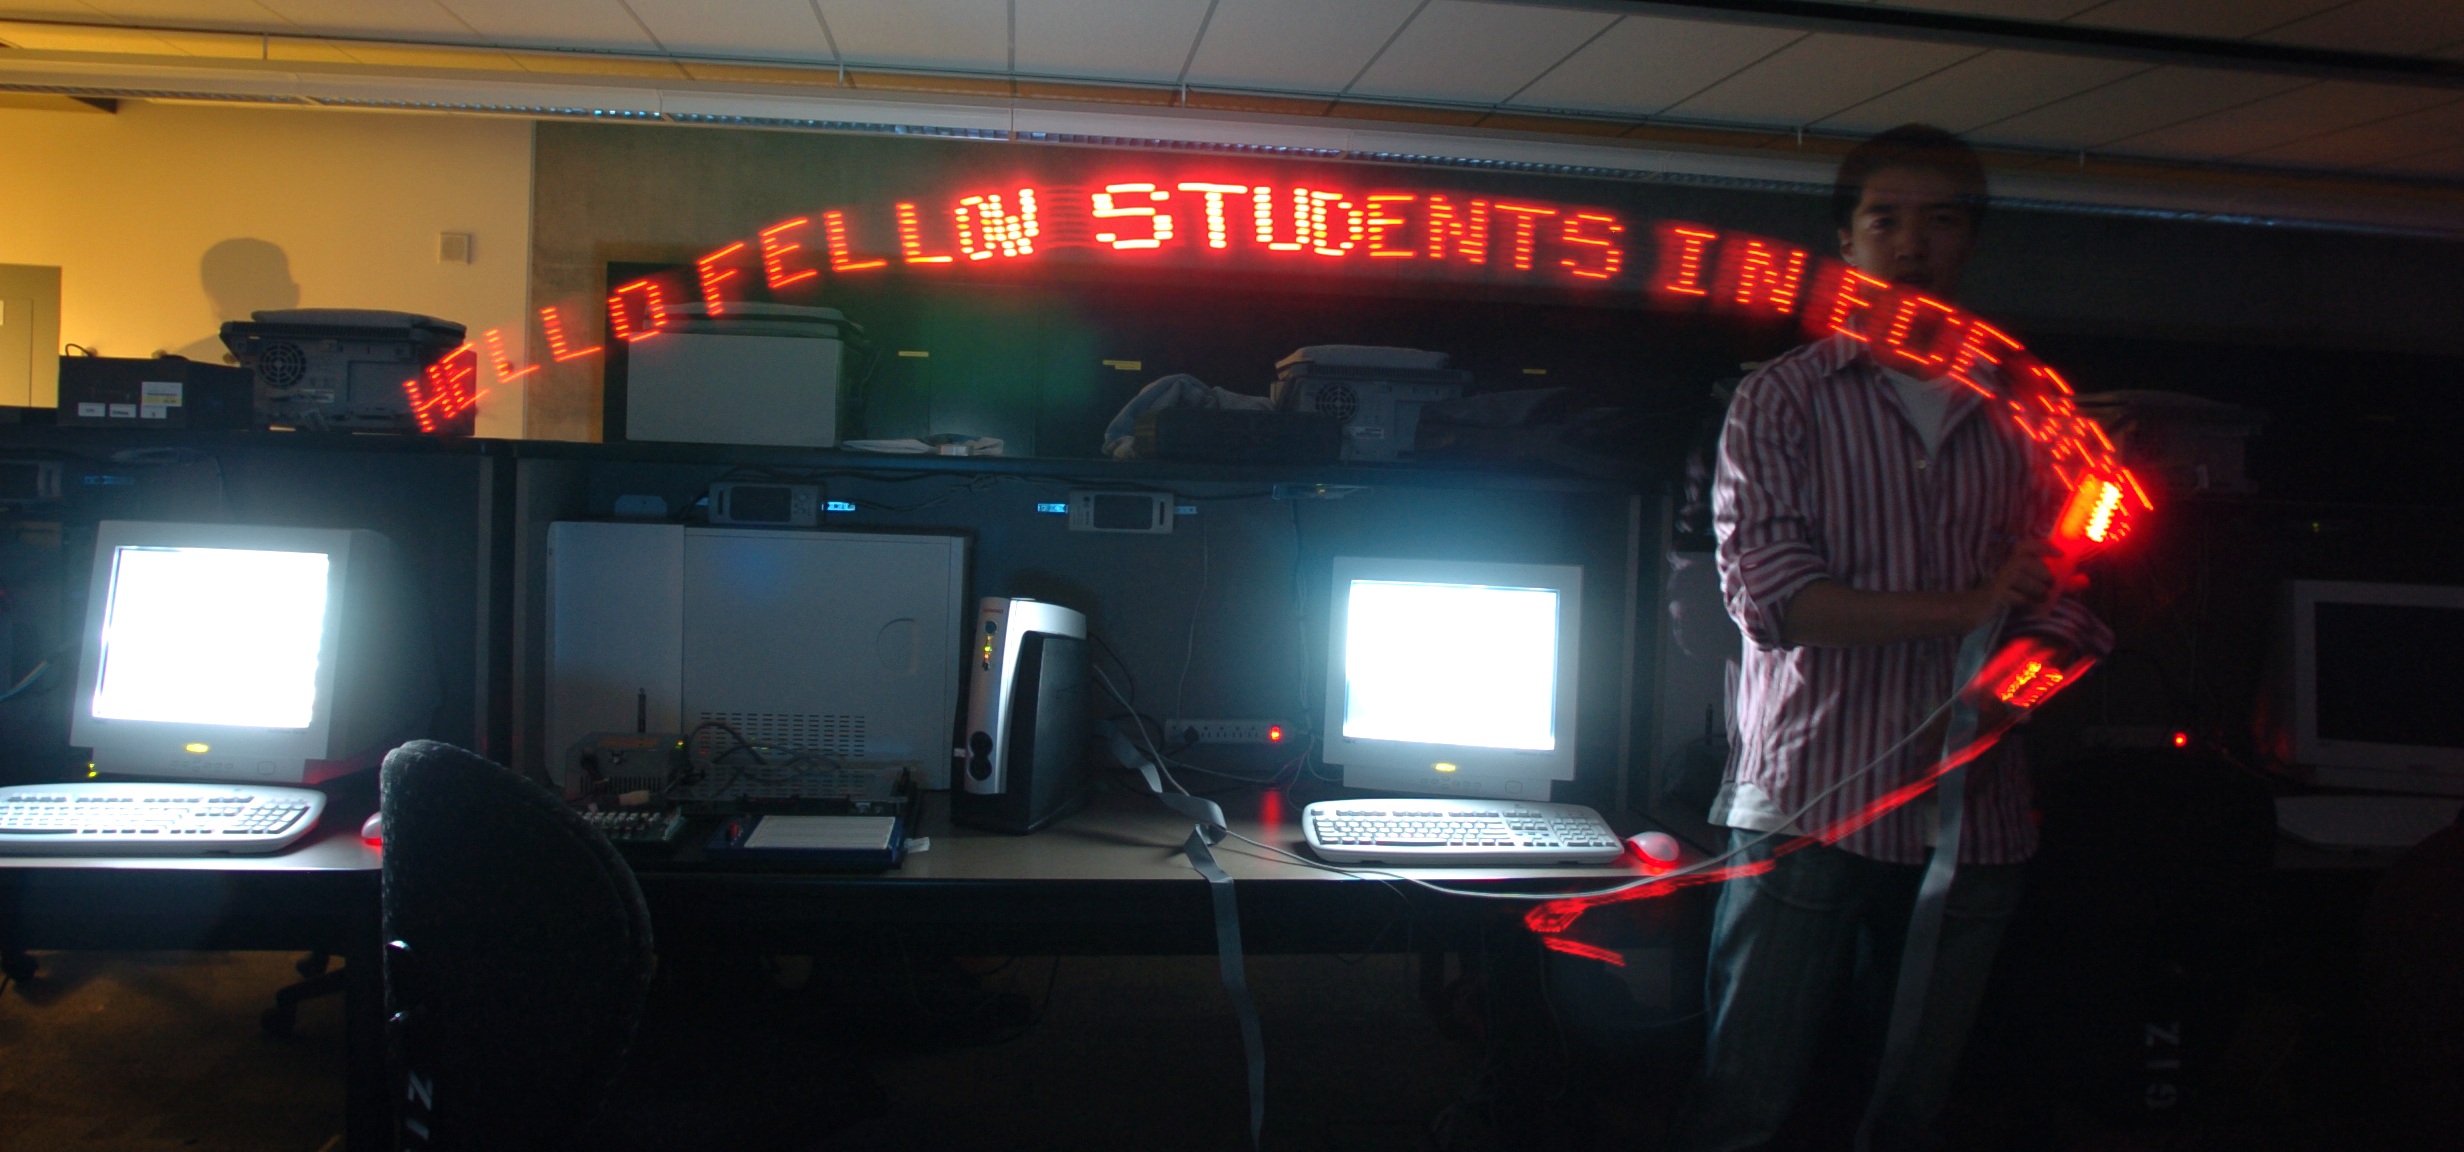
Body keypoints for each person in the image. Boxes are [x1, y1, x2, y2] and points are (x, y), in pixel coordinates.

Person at [1669, 124, 2112, 1151]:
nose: (1913, 244)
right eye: (1886, 221)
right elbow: (1774, 602)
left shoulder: (2034, 414)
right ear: (1848, 242)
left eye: (1940, 221)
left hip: (1974, 818)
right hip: (1809, 803)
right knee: (1747, 1103)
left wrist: (2026, 667)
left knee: (1914, 1111)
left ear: (1971, 241)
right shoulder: (1781, 398)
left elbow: (2073, 599)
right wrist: (1968, 608)